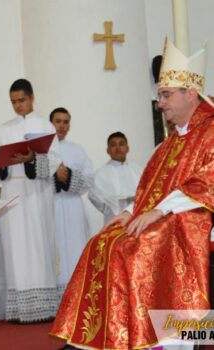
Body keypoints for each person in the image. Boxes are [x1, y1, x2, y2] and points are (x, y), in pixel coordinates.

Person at [51, 38, 214, 349]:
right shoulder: (169, 144)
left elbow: (208, 182)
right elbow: (151, 187)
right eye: (160, 96)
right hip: (168, 217)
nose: (160, 103)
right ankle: (102, 337)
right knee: (101, 243)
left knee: (134, 250)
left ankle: (169, 339)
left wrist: (160, 211)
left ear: (190, 94)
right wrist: (132, 211)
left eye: (166, 95)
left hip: (192, 220)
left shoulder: (211, 132)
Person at [0, 78, 61, 323]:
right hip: (12, 188)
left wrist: (32, 158)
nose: (17, 106)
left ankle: (43, 308)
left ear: (32, 98)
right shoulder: (3, 128)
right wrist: (4, 162)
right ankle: (19, 309)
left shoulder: (45, 125)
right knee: (15, 246)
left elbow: (53, 161)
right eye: (13, 102)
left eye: (21, 100)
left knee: (38, 243)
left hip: (35, 191)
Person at [49, 107, 94, 298]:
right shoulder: (44, 151)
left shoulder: (77, 150)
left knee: (76, 246)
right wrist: (54, 177)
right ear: (50, 124)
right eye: (58, 121)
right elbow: (36, 181)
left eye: (66, 122)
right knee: (55, 247)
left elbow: (89, 180)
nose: (62, 126)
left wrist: (68, 176)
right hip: (51, 206)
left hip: (73, 205)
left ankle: (77, 293)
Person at [88, 132, 142, 224]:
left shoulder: (139, 170)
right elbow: (93, 195)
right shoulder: (100, 173)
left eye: (121, 144)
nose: (118, 148)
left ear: (127, 148)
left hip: (137, 216)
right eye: (113, 145)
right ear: (108, 150)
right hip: (114, 217)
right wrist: (108, 210)